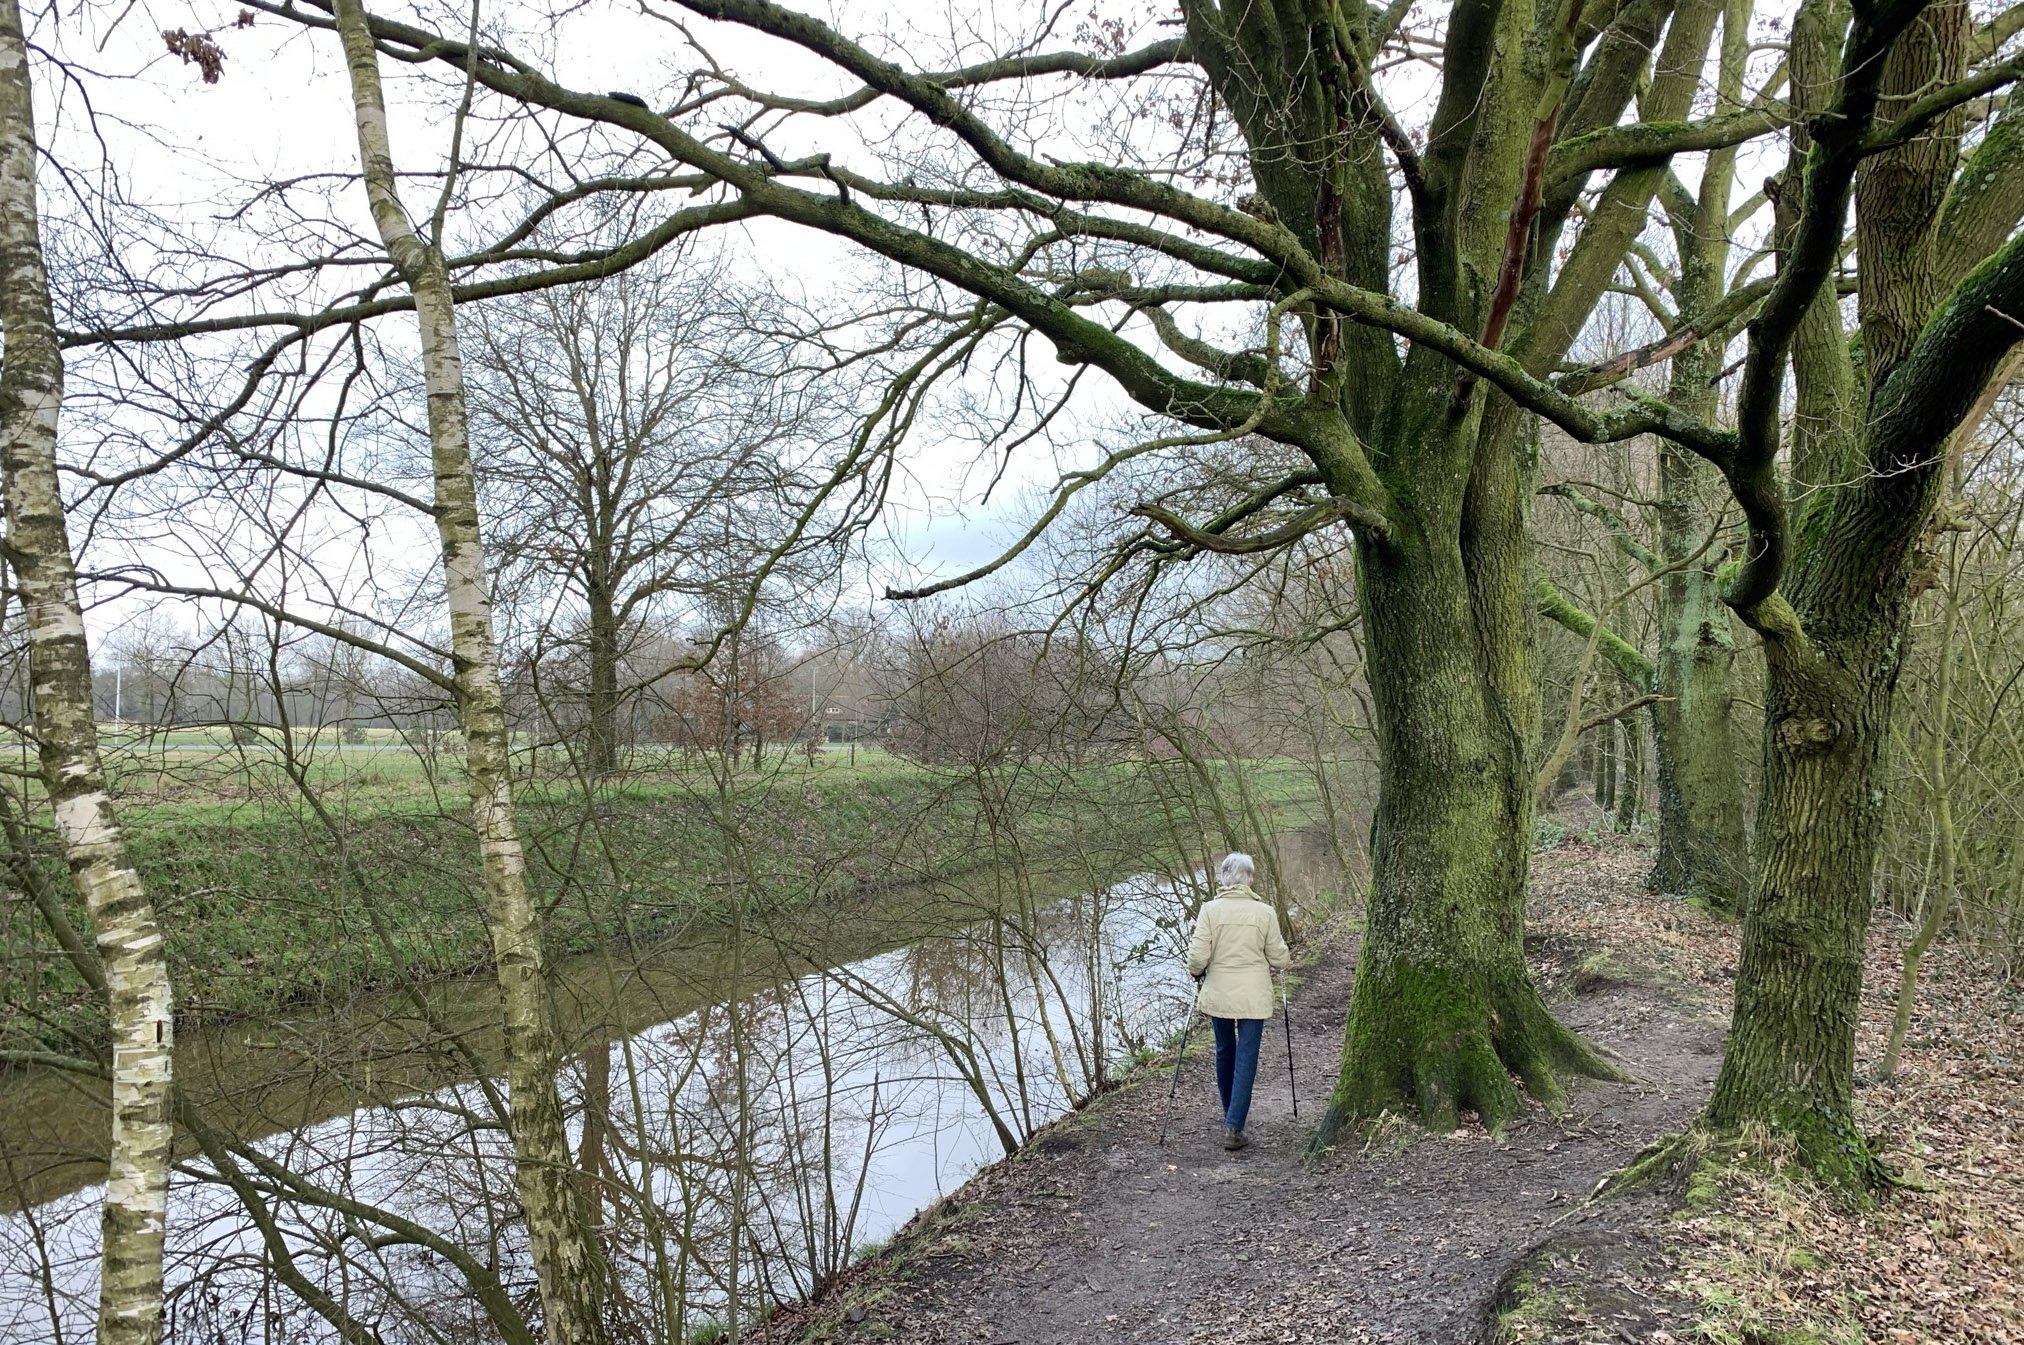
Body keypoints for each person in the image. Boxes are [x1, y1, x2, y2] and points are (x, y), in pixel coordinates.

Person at [1185, 851, 1290, 1151]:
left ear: (1223, 879)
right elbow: (1279, 958)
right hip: (1253, 997)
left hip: (1219, 994)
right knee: (1246, 1056)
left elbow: (1197, 957)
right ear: (1250, 880)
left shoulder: (1209, 910)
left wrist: (1196, 972)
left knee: (1224, 1050)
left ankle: (1230, 1112)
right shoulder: (1265, 912)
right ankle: (1234, 1125)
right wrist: (1281, 956)